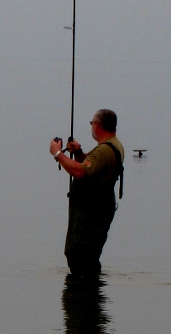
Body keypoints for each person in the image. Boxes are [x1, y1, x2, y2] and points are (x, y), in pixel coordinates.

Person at [50, 109, 124, 281]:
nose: (91, 126)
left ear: (97, 125)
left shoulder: (104, 150)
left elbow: (80, 171)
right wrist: (77, 152)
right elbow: (93, 165)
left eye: (92, 123)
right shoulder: (113, 145)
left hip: (91, 214)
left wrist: (57, 153)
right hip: (99, 210)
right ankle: (90, 295)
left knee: (79, 254)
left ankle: (82, 300)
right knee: (87, 257)